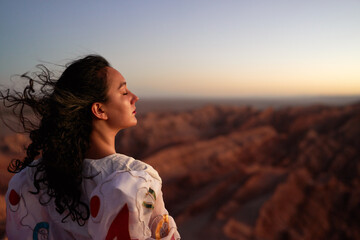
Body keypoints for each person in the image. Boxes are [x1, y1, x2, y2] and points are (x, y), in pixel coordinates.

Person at [1, 55, 180, 240]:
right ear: (99, 110)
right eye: (124, 91)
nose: (135, 97)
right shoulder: (134, 180)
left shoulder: (29, 180)